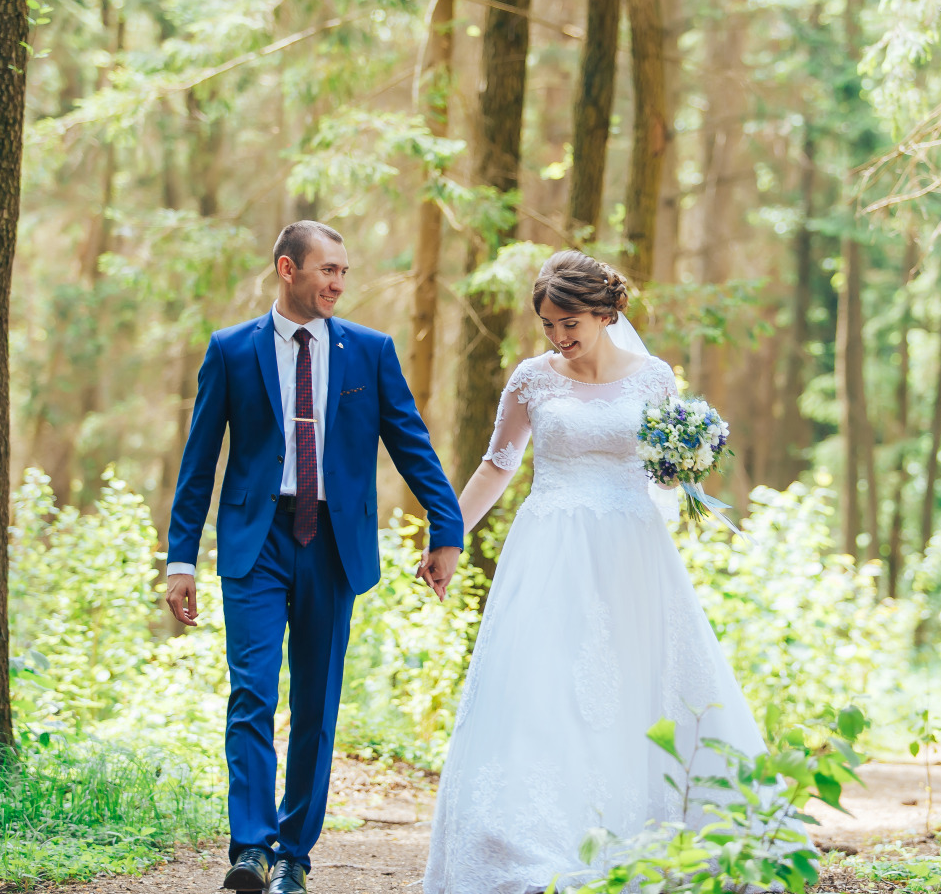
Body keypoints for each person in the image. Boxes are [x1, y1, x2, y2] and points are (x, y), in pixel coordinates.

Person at [423, 249, 766, 894]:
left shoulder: (654, 377)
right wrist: (449, 534)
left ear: (606, 312)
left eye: (569, 322)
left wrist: (684, 465)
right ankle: (526, 840)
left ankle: (653, 833)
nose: (560, 337)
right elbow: (498, 465)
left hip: (632, 552)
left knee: (636, 686)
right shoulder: (532, 379)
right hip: (550, 547)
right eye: (549, 324)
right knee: (542, 686)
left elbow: (670, 473)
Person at [164, 221, 464, 894]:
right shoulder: (231, 350)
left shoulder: (369, 352)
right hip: (256, 539)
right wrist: (179, 558)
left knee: (317, 703)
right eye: (326, 270)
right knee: (251, 694)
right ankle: (251, 848)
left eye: (343, 273)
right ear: (286, 269)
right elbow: (198, 462)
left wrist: (445, 528)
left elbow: (410, 444)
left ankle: (294, 854)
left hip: (333, 542)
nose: (337, 283)